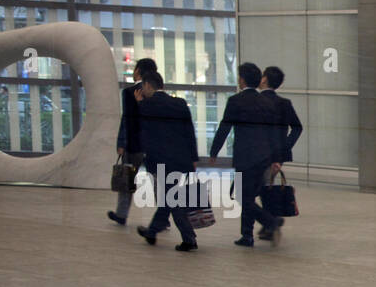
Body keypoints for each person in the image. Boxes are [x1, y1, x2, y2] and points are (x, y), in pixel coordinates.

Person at [208, 62, 281, 247]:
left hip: (245, 158)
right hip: (264, 157)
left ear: (242, 80)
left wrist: (214, 151)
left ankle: (270, 221)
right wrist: (275, 158)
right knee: (248, 195)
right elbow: (273, 134)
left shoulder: (235, 101)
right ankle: (247, 235)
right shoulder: (267, 102)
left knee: (242, 196)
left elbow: (225, 127)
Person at [132, 73, 200, 251]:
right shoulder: (179, 103)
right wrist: (193, 158)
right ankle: (152, 231)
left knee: (172, 198)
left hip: (161, 160)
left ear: (147, 85)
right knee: (169, 197)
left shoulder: (146, 106)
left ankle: (189, 238)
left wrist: (139, 104)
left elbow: (142, 132)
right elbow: (189, 132)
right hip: (182, 158)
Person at [107, 57, 158, 225]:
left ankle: (122, 215)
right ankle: (163, 218)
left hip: (133, 143)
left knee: (127, 178)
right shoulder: (158, 94)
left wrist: (121, 143)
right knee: (158, 181)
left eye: (135, 68)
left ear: (139, 71)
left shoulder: (129, 93)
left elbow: (126, 120)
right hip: (153, 145)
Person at [255, 65, 303, 241]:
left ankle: (270, 222)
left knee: (251, 193)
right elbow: (297, 128)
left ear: (265, 79)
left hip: (259, 156)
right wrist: (284, 149)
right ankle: (269, 224)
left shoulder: (256, 102)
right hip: (276, 156)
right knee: (265, 190)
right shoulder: (284, 103)